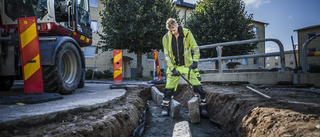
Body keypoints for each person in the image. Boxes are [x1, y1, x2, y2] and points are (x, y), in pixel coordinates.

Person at [161, 18, 207, 116]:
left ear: (177, 25)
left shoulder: (187, 33)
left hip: (187, 66)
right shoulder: (166, 38)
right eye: (170, 31)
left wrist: (195, 61)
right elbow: (167, 56)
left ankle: (203, 106)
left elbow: (195, 48)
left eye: (174, 30)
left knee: (198, 86)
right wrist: (172, 69)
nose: (173, 32)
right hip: (174, 66)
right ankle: (165, 106)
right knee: (169, 88)